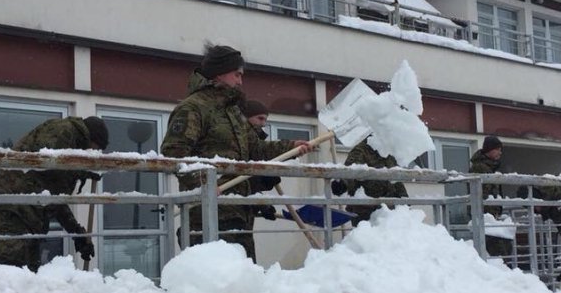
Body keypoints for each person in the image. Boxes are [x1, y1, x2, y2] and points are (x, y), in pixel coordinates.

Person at [161, 43, 312, 261]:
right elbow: (174, 154)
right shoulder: (194, 108)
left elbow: (256, 149)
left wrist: (292, 148)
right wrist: (204, 184)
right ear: (219, 73)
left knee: (243, 283)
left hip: (239, 212)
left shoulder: (234, 112)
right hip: (207, 214)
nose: (240, 81)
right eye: (237, 74)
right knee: (215, 281)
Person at [0, 116, 108, 272]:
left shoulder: (72, 143)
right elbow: (51, 166)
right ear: (91, 137)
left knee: (30, 271)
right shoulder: (64, 130)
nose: (92, 153)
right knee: (13, 270)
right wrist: (79, 171)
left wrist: (78, 234)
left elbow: (55, 199)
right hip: (11, 203)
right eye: (95, 147)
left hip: (28, 210)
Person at [331, 139, 408, 226]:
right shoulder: (361, 150)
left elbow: (395, 178)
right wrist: (341, 184)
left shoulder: (388, 152)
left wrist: (404, 199)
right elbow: (352, 171)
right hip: (366, 211)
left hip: (389, 210)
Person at [469, 135, 513, 258]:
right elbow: (482, 193)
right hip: (485, 215)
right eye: (497, 149)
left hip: (491, 215)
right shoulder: (480, 168)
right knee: (497, 251)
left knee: (501, 249)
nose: (500, 152)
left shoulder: (490, 167)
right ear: (489, 149)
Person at [243, 99, 280, 222]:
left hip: (246, 209)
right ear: (246, 117)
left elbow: (251, 182)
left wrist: (264, 183)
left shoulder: (257, 143)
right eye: (260, 118)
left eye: (265, 120)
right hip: (229, 209)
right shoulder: (241, 142)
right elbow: (238, 181)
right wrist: (261, 204)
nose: (263, 124)